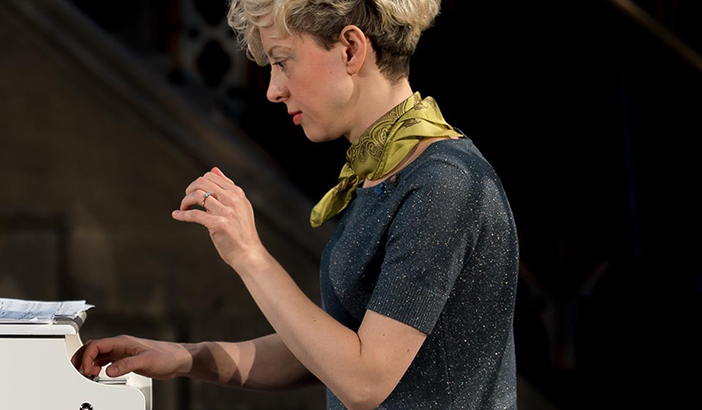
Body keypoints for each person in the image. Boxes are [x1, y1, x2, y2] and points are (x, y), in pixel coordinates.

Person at [71, 1, 518, 409]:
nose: (273, 90)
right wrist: (182, 357)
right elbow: (323, 351)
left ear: (350, 49)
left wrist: (249, 255)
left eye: (282, 62)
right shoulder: (381, 171)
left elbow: (363, 381)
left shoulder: (443, 182)